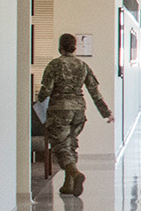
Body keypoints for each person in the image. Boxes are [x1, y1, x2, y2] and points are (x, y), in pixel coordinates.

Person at [36, 33, 114, 196]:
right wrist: (106, 112)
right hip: (79, 110)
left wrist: (39, 100)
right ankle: (68, 184)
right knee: (71, 144)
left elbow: (46, 90)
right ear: (75, 47)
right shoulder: (82, 65)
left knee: (59, 147)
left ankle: (75, 173)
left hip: (59, 110)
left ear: (60, 47)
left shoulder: (54, 65)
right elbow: (94, 92)